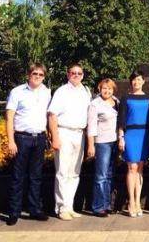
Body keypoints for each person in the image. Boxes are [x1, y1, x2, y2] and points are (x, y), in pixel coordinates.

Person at [5, 63, 51, 226]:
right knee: (18, 176)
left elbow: (49, 115)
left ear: (44, 76)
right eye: (34, 73)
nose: (37, 76)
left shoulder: (47, 92)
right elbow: (9, 117)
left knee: (36, 176)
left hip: (39, 138)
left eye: (40, 74)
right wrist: (11, 141)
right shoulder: (17, 92)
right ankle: (14, 211)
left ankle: (34, 209)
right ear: (28, 75)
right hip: (22, 138)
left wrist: (50, 136)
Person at [47, 64, 92, 221]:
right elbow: (52, 115)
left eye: (79, 73)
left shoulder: (86, 92)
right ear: (68, 74)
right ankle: (61, 208)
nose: (76, 75)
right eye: (73, 72)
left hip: (80, 134)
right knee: (62, 172)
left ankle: (69, 206)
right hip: (64, 132)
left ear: (83, 75)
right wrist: (55, 137)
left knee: (74, 173)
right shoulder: (61, 91)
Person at [118, 70, 149, 218]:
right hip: (130, 134)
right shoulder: (126, 98)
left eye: (139, 79)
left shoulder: (148, 98)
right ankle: (131, 201)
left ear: (143, 81)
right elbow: (121, 120)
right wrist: (121, 137)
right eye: (134, 80)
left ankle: (138, 201)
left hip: (144, 134)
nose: (136, 82)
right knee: (132, 167)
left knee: (140, 168)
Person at [86, 78, 119, 217]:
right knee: (101, 176)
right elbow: (91, 126)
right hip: (102, 142)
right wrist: (91, 145)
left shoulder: (117, 102)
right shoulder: (95, 104)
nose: (107, 91)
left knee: (109, 175)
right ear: (99, 89)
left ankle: (107, 204)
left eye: (110, 88)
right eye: (104, 88)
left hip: (114, 141)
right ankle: (98, 206)